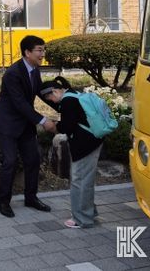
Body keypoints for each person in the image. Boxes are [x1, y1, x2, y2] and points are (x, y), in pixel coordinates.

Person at [0, 35, 57, 218]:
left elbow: (40, 92)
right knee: (10, 161)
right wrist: (43, 121)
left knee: (33, 159)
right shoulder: (13, 73)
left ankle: (31, 198)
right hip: (8, 123)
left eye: (43, 50)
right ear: (27, 52)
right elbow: (20, 103)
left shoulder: (34, 70)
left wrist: (63, 103)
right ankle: (3, 202)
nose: (42, 54)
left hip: (25, 122)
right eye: (39, 50)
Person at [40, 77, 103, 229]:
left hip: (84, 145)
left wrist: (54, 126)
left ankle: (82, 219)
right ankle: (89, 212)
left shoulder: (67, 101)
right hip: (93, 141)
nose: (51, 101)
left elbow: (68, 127)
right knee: (85, 180)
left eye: (50, 97)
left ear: (55, 91)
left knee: (79, 181)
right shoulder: (74, 94)